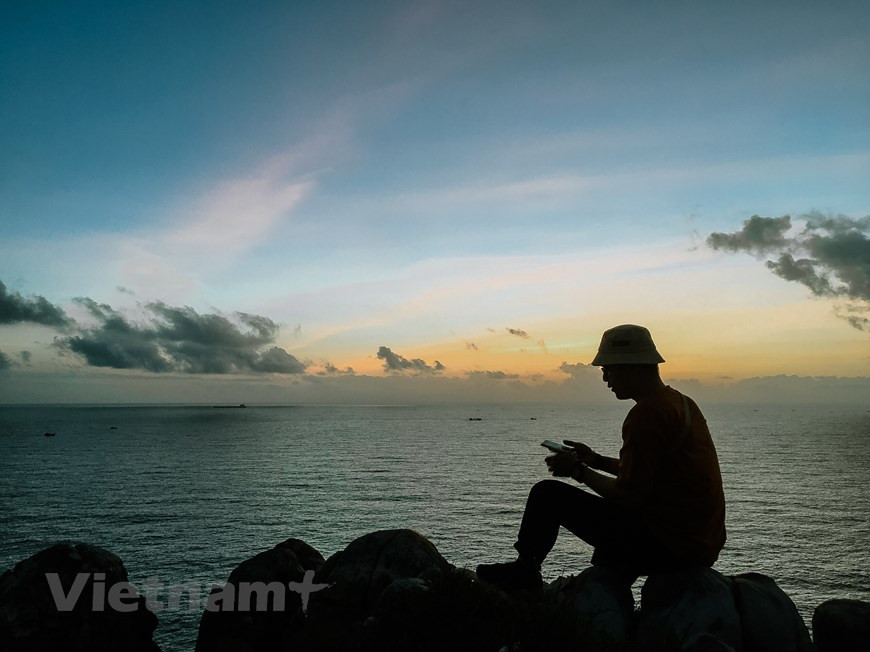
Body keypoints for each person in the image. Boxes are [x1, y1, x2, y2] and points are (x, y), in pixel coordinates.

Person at [476, 324, 726, 591]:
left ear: (629, 366)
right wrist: (595, 460)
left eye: (607, 369)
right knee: (608, 555)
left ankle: (525, 570)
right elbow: (649, 472)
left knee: (546, 494)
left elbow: (629, 495)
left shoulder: (647, 415)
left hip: (671, 546)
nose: (605, 378)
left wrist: (578, 471)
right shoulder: (681, 403)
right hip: (699, 544)